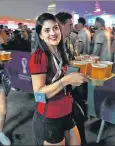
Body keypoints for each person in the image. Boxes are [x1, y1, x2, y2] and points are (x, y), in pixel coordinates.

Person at [29, 13, 89, 146]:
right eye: (47, 30)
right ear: (40, 35)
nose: (53, 33)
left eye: (55, 28)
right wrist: (65, 81)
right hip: (50, 116)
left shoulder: (60, 50)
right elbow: (39, 95)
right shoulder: (39, 56)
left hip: (66, 111)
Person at [56, 12, 87, 145]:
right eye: (69, 24)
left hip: (67, 89)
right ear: (61, 25)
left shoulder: (67, 41)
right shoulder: (53, 46)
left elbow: (70, 59)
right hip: (57, 95)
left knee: (78, 118)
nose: (72, 27)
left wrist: (80, 60)